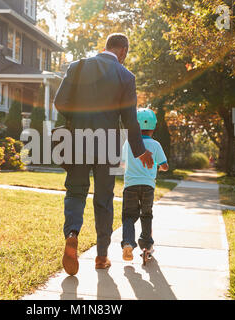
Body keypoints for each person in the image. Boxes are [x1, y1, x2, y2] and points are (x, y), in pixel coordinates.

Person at [54, 33, 154, 276]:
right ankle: (101, 257)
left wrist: (78, 118)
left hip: (76, 139)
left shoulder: (77, 68)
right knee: (104, 200)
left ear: (106, 47)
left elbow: (59, 102)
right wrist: (140, 151)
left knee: (76, 192)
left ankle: (72, 233)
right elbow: (130, 119)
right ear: (123, 51)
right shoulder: (125, 76)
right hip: (109, 143)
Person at [121, 108, 169, 262]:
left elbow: (122, 163)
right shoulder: (156, 144)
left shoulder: (128, 143)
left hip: (130, 186)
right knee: (146, 215)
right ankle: (147, 246)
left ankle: (128, 242)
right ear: (154, 127)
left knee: (129, 216)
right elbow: (165, 166)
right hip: (148, 186)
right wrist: (157, 166)